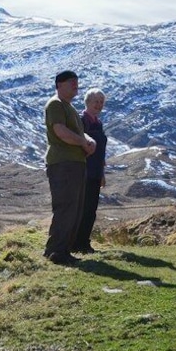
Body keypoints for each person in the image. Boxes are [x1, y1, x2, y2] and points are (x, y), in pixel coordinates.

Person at [43, 70, 96, 265]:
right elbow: (60, 131)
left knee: (75, 209)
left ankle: (63, 250)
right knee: (66, 208)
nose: (75, 85)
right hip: (63, 163)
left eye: (76, 81)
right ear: (59, 85)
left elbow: (79, 133)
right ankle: (56, 252)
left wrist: (90, 141)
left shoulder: (70, 107)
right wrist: (83, 143)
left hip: (75, 163)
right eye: (71, 82)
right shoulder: (55, 104)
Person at [74, 88, 108, 254]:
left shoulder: (98, 123)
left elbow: (100, 151)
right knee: (83, 209)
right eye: (96, 101)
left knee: (91, 210)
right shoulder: (81, 121)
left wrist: (102, 173)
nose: (99, 105)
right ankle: (76, 243)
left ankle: (84, 243)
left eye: (101, 102)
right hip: (83, 172)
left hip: (95, 173)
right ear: (87, 102)